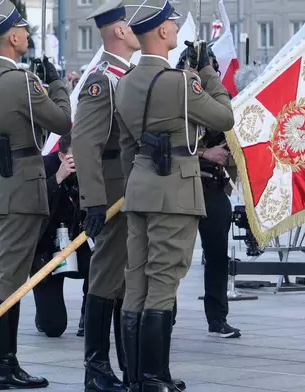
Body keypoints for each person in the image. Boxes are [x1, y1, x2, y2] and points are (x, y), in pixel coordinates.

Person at [115, 0, 234, 390]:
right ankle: (153, 377)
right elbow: (224, 117)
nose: (174, 29)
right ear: (164, 33)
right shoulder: (180, 83)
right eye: (171, 23)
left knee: (136, 282)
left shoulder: (126, 81)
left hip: (140, 187)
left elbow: (126, 145)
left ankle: (135, 376)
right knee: (163, 281)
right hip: (175, 189)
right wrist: (208, 74)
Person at [0, 0, 71, 389]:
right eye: (23, 30)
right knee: (10, 280)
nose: (26, 35)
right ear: (12, 37)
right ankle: (3, 366)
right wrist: (57, 83)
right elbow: (62, 121)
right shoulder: (24, 82)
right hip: (20, 191)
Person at [70, 1, 140, 390]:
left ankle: (131, 368)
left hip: (131, 185)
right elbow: (85, 143)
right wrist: (94, 200)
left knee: (127, 279)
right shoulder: (103, 80)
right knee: (107, 275)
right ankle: (96, 369)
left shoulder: (127, 74)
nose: (137, 30)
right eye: (131, 25)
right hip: (113, 188)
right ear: (117, 30)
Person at [176, 45, 242, 339]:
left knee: (217, 257)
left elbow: (229, 128)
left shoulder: (217, 98)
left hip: (213, 186)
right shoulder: (175, 94)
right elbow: (170, 143)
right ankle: (166, 317)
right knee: (174, 257)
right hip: (182, 185)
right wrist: (204, 153)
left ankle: (217, 318)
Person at [31, 134, 90, 338]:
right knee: (53, 327)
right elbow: (33, 204)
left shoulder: (92, 167)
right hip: (47, 248)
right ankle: (44, 313)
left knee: (103, 266)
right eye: (75, 157)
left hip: (80, 242)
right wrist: (58, 178)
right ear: (62, 155)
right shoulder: (44, 165)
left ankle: (88, 314)